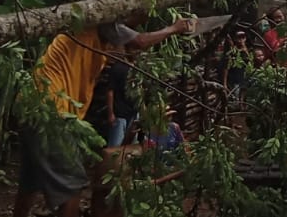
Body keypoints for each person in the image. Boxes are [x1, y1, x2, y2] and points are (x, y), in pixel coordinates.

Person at [12, 12, 203, 217]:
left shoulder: (84, 31)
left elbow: (130, 46)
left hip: (30, 105)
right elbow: (138, 41)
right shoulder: (99, 20)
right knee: (72, 184)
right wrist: (174, 28)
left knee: (30, 180)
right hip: (53, 112)